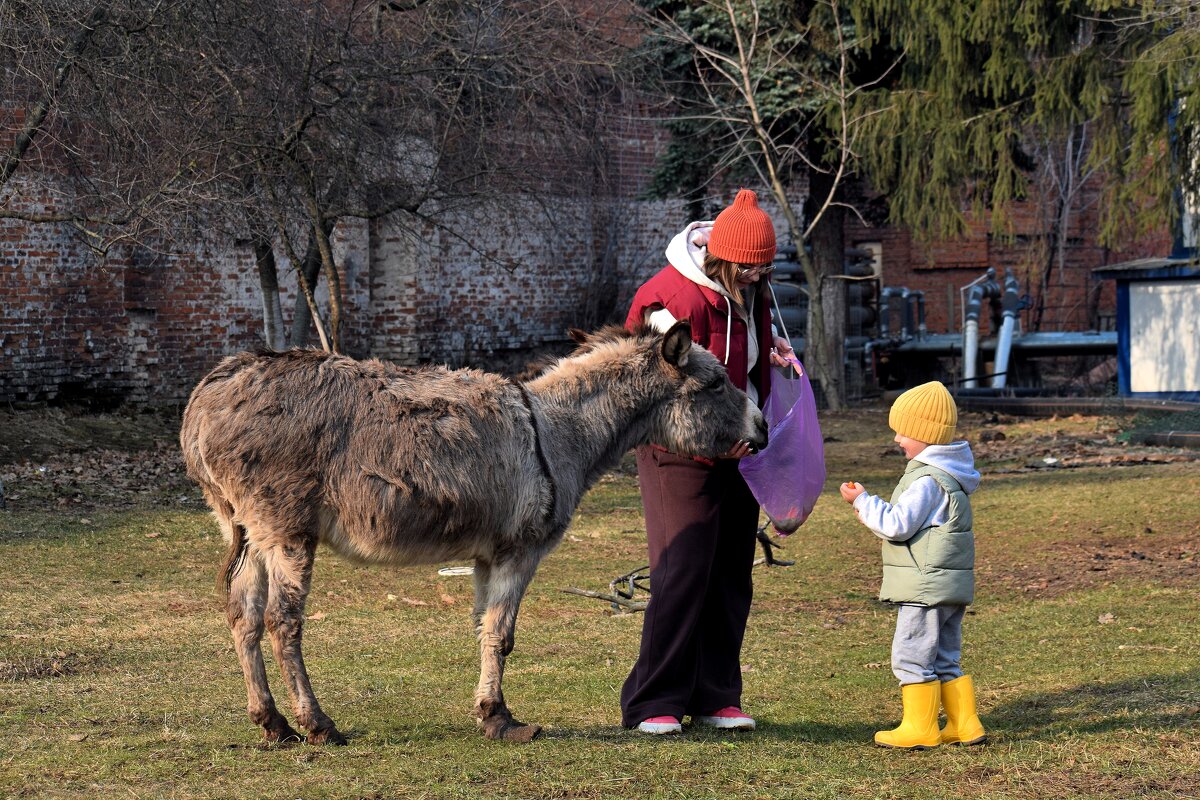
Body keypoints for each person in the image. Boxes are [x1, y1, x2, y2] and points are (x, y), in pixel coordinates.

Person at [621, 188, 794, 735]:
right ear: (720, 256)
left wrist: (771, 357)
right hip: (680, 451)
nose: (755, 277)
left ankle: (717, 695)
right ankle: (654, 701)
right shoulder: (669, 298)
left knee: (730, 575)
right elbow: (651, 380)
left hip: (742, 447)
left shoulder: (753, 290)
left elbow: (734, 358)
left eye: (764, 268)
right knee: (683, 572)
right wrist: (710, 437)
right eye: (748, 267)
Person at [838, 381, 986, 749]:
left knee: (912, 655)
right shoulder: (951, 476)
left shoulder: (926, 481)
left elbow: (896, 525)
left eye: (903, 431)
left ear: (925, 434)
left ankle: (920, 728)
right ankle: (964, 725)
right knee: (944, 657)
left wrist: (863, 502)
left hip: (925, 588)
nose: (897, 439)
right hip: (948, 588)